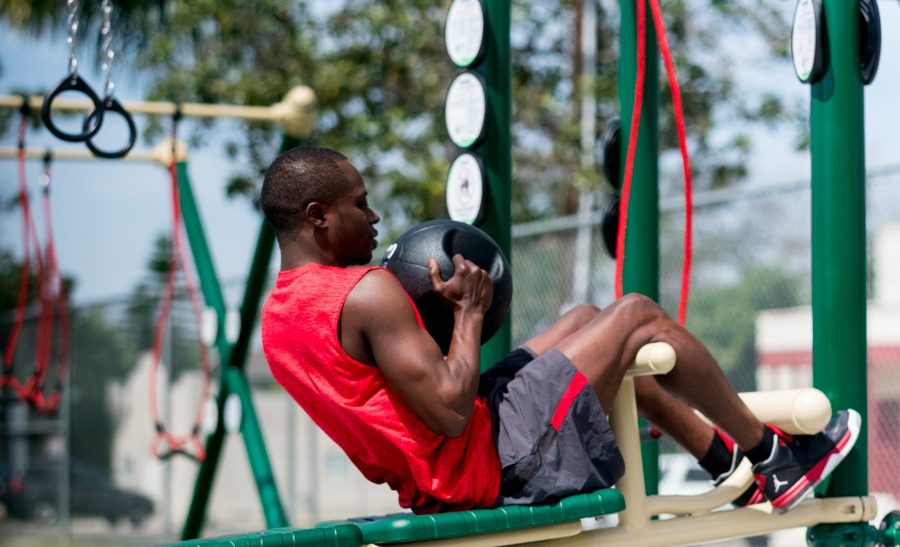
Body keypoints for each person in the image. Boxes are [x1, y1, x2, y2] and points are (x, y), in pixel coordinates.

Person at [260, 146, 859, 515]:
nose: (375, 217)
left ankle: (724, 461)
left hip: (452, 463)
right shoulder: (364, 291)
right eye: (360, 204)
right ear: (318, 216)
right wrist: (468, 313)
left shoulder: (277, 320)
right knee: (638, 314)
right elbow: (447, 411)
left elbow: (386, 404)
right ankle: (774, 460)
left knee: (587, 321)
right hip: (490, 465)